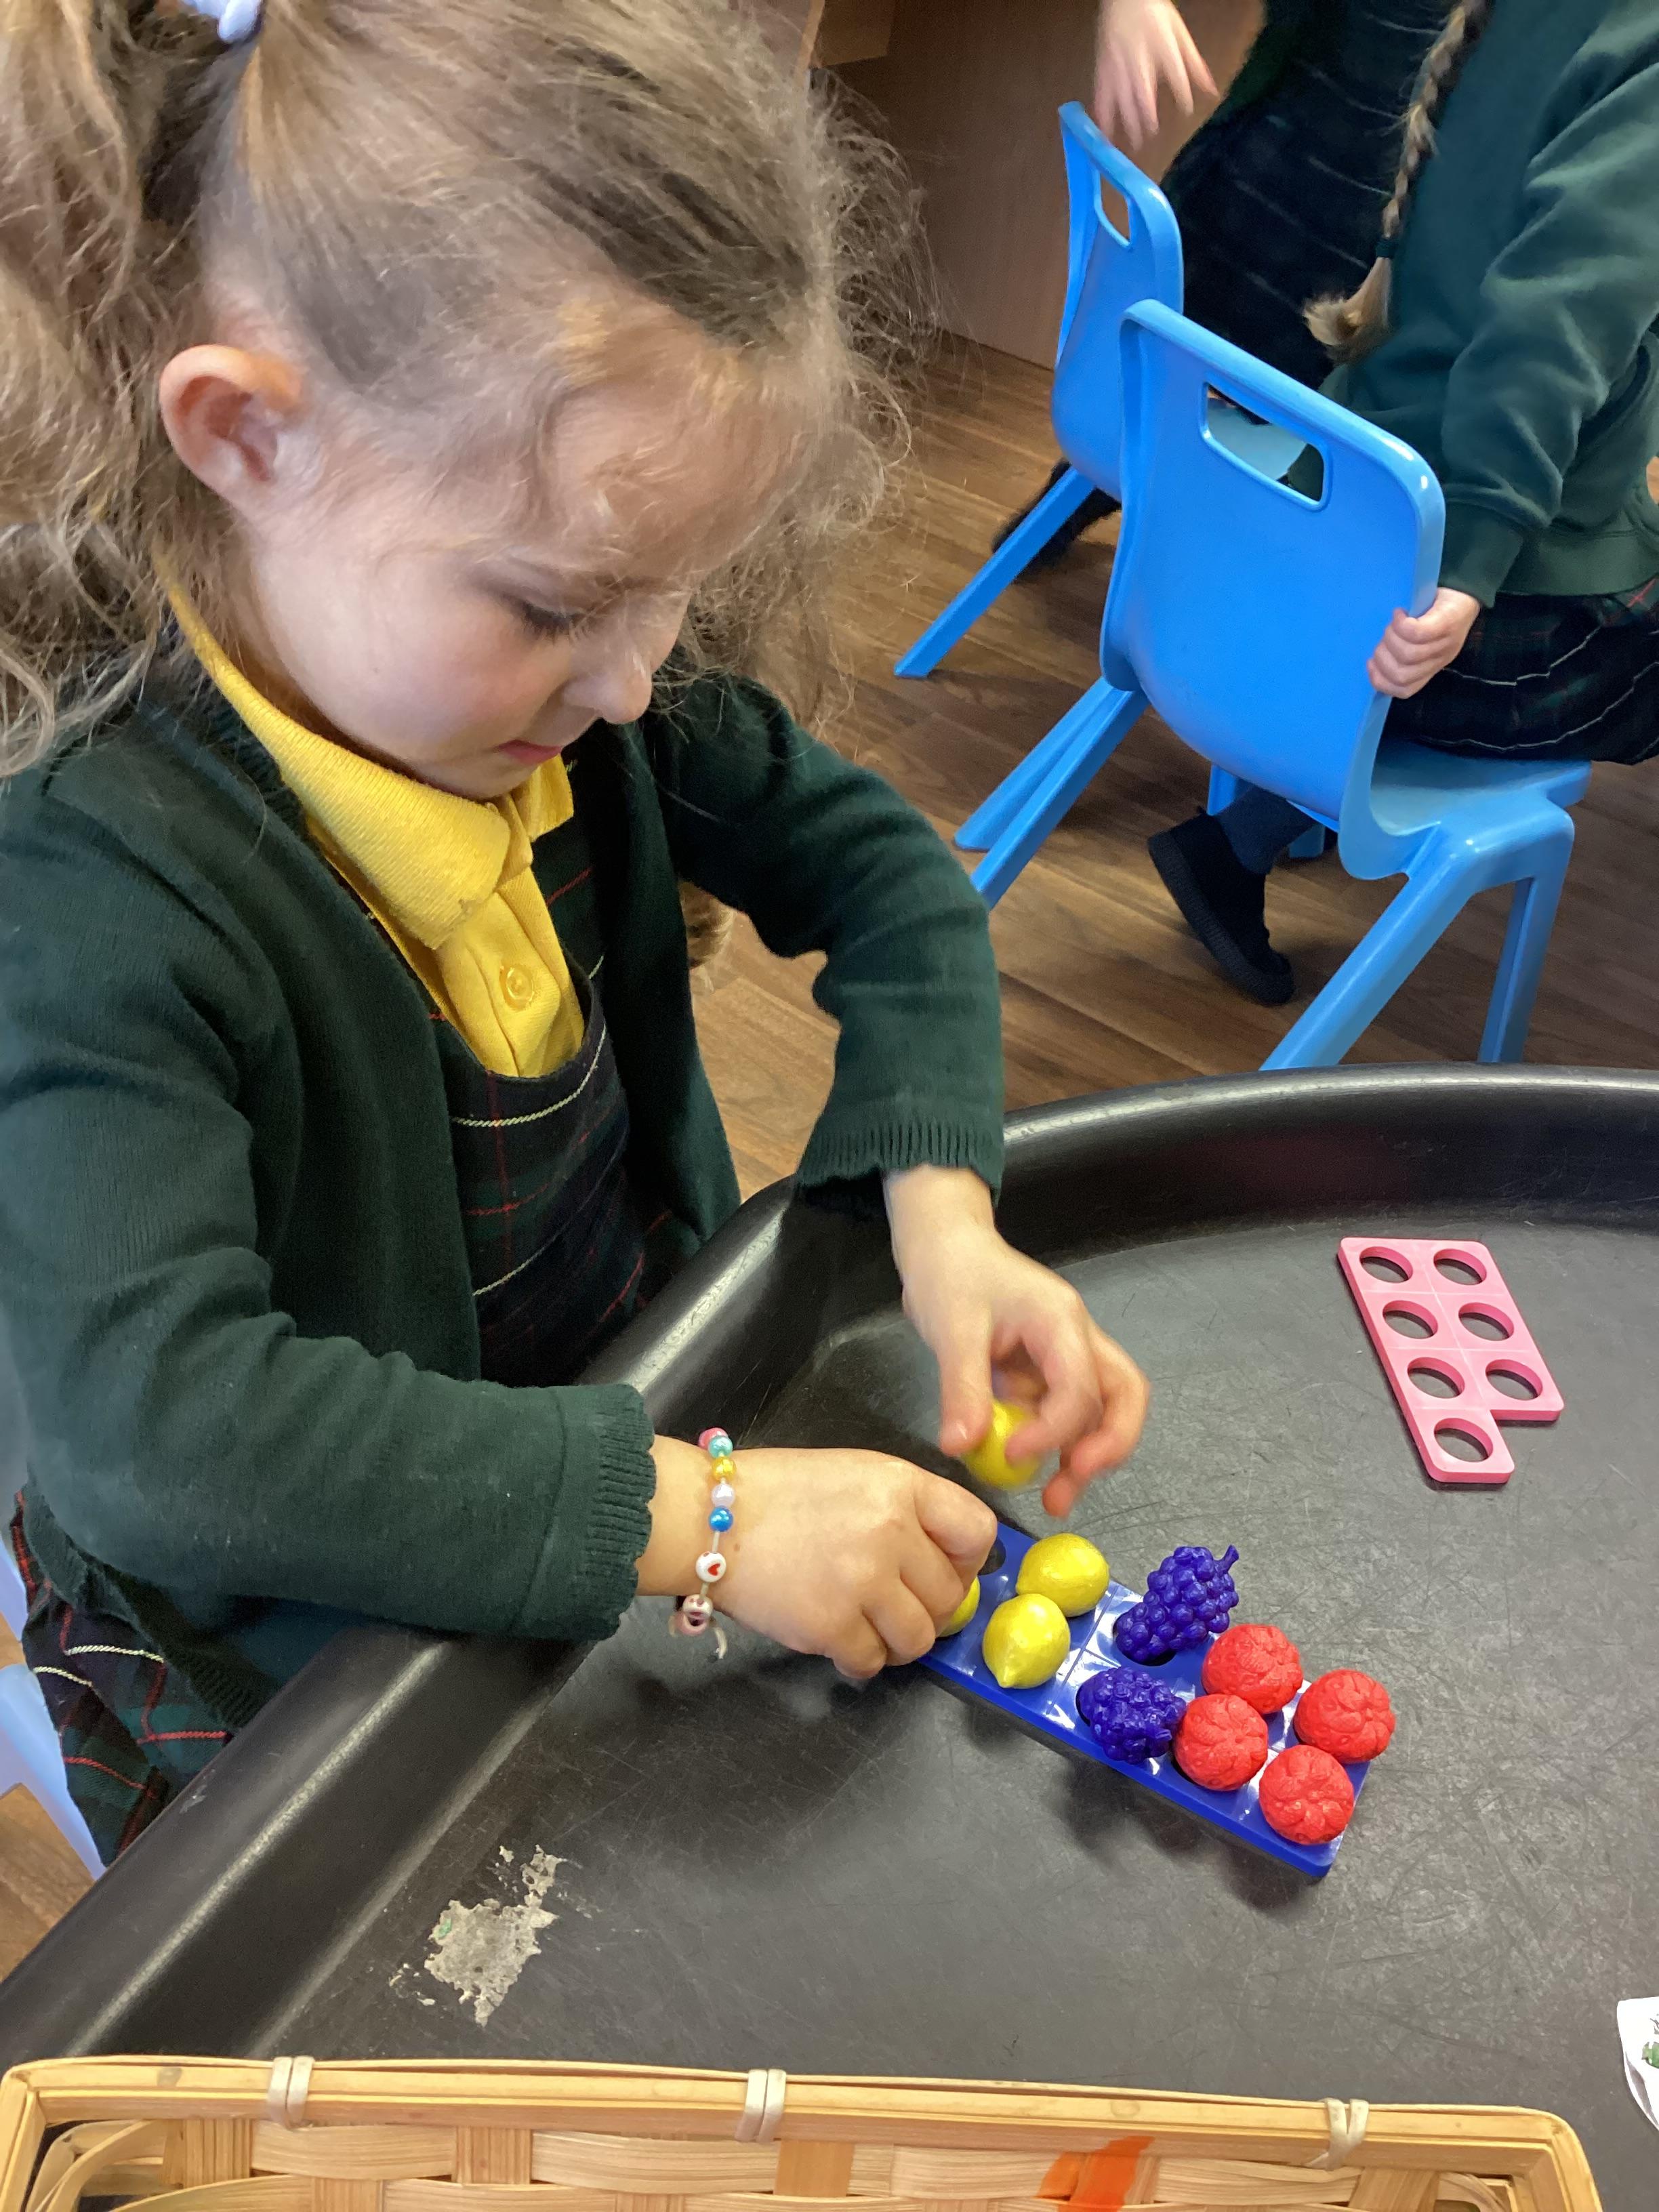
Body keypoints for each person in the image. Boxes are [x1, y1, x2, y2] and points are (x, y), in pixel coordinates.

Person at [0, 0, 1148, 1859]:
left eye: (670, 596)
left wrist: (941, 1214)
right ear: (244, 434)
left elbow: (887, 876)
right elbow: (169, 1435)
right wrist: (706, 1524)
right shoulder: (89, 886)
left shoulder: (566, 688)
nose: (630, 686)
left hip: (619, 1439)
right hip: (294, 1653)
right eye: (556, 606)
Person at [1147, 0, 1659, 1004]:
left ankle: (1245, 835)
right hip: (1439, 597)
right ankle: (1251, 830)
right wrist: (1473, 565)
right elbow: (1547, 327)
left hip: (1349, 524)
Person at [998, 0, 1449, 568]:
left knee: (1300, 423)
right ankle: (1099, 483)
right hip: (1257, 180)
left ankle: (1154, 512)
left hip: (1364, 233)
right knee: (1174, 360)